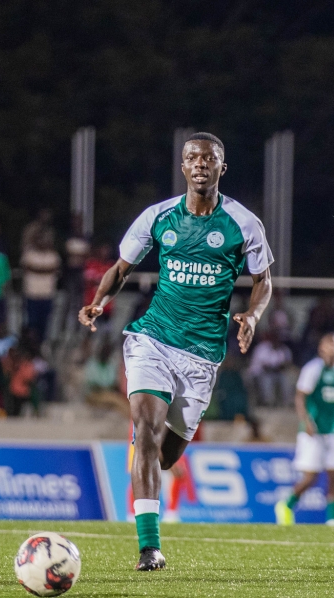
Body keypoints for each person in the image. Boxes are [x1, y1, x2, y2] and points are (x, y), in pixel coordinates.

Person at [79, 133, 272, 570]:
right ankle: (149, 548)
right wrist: (99, 301)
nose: (200, 164)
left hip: (202, 357)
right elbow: (121, 268)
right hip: (153, 339)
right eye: (192, 158)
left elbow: (263, 280)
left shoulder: (243, 224)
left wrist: (253, 315)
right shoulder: (157, 217)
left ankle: (150, 470)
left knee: (166, 454)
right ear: (182, 167)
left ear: (223, 167)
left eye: (209, 158)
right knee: (144, 429)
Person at [275, 333, 334, 526]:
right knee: (311, 477)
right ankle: (286, 505)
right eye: (332, 343)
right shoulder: (313, 369)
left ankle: (332, 519)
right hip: (314, 431)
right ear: (322, 347)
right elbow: (300, 397)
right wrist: (306, 421)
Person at [21, 232, 61, 343]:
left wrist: (37, 269)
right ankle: (30, 345)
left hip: (47, 294)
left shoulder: (53, 255)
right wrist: (44, 269)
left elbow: (54, 269)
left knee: (45, 323)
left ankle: (42, 345)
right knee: (31, 322)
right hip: (32, 293)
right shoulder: (29, 254)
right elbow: (27, 267)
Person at [247, 329, 294, 406]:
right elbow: (264, 366)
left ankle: (287, 403)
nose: (277, 340)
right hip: (259, 373)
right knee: (267, 379)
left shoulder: (284, 349)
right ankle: (268, 402)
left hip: (276, 373)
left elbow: (287, 364)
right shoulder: (262, 348)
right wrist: (276, 367)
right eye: (275, 338)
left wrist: (278, 367)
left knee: (286, 378)